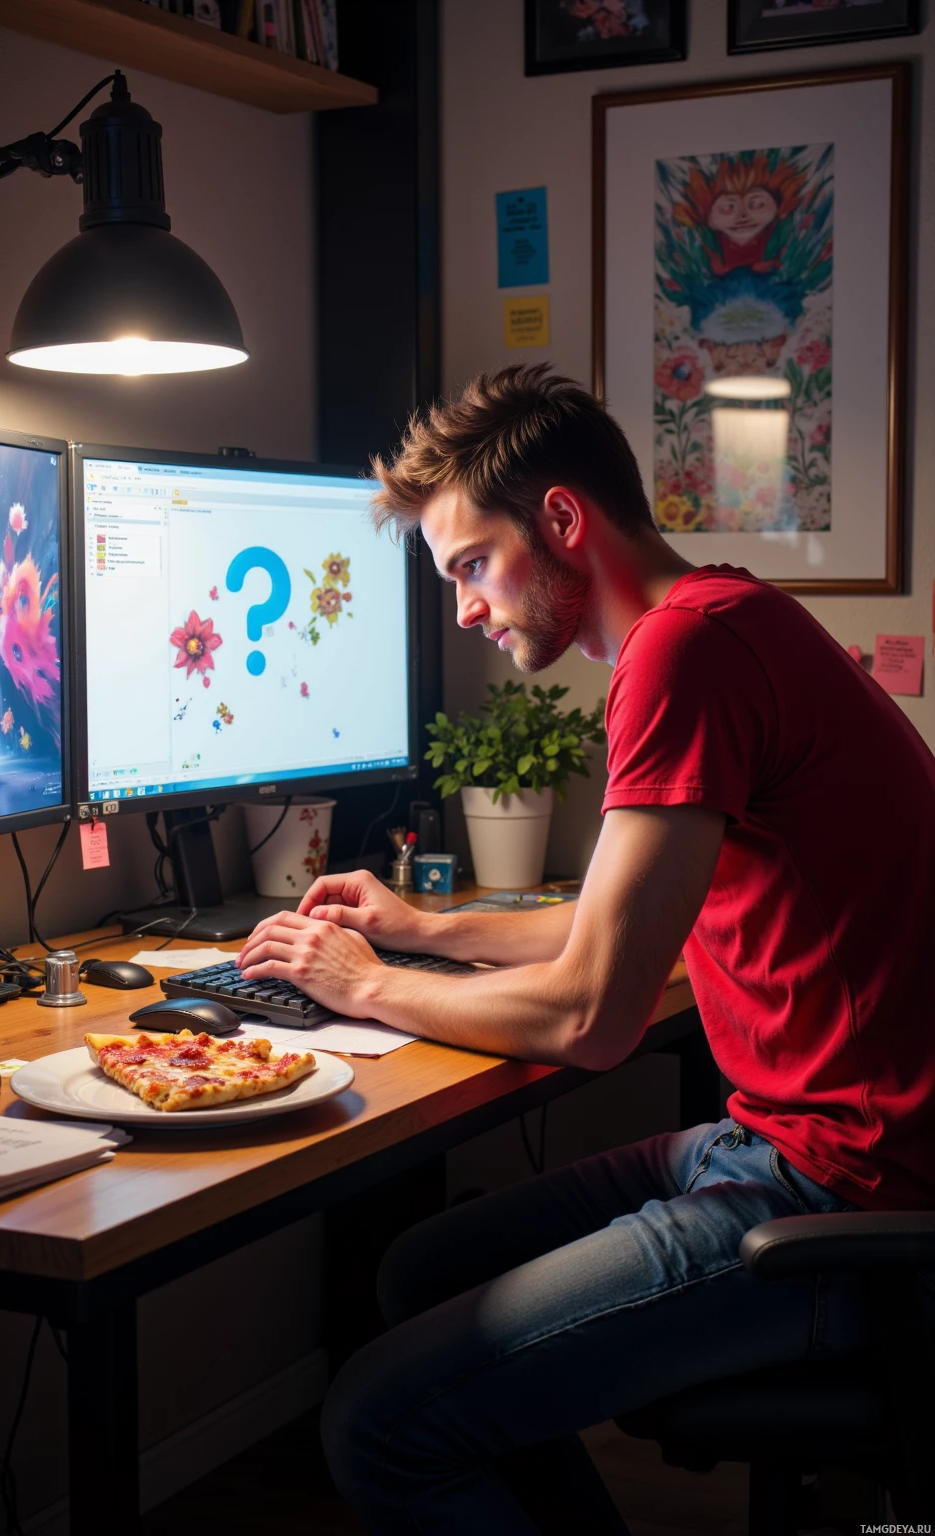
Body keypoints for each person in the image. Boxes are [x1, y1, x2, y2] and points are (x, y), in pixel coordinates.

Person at [237, 364, 935, 1534]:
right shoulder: (722, 619)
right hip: (786, 1145)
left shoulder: (682, 654)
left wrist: (367, 984)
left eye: (472, 565)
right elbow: (618, 915)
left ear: (561, 519)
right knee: (421, 1270)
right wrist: (423, 930)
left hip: (843, 1196)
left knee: (376, 1423)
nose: (465, 609)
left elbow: (590, 1016)